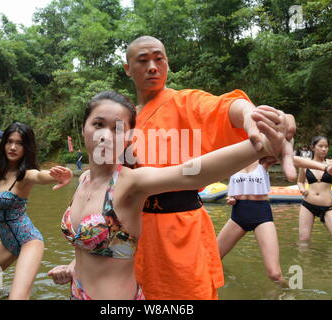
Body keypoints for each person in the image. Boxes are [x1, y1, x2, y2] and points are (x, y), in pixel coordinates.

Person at [48, 90, 289, 300]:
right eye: (98, 124)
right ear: (84, 128)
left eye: (117, 128)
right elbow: (99, 247)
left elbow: (191, 174)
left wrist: (261, 146)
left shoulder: (130, 183)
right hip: (77, 292)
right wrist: (71, 267)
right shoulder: (84, 180)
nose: (106, 135)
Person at [119, 35, 296, 299]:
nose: (153, 67)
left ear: (168, 63)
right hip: (133, 234)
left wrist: (251, 117)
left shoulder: (185, 102)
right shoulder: (125, 118)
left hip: (180, 230)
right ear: (127, 69)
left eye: (159, 59)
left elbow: (224, 107)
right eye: (143, 61)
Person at [0, 122, 72, 300]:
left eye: (20, 143)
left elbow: (41, 175)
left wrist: (63, 173)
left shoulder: (26, 175)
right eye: (9, 141)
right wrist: (0, 217)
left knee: (18, 297)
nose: (13, 147)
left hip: (28, 241)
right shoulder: (0, 171)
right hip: (7, 243)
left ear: (27, 147)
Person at [217, 156, 332, 287]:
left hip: (261, 216)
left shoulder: (262, 159)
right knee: (213, 259)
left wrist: (324, 168)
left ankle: (288, 294)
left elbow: (292, 159)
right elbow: (232, 186)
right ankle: (225, 285)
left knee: (275, 274)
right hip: (238, 215)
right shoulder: (234, 159)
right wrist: (230, 197)